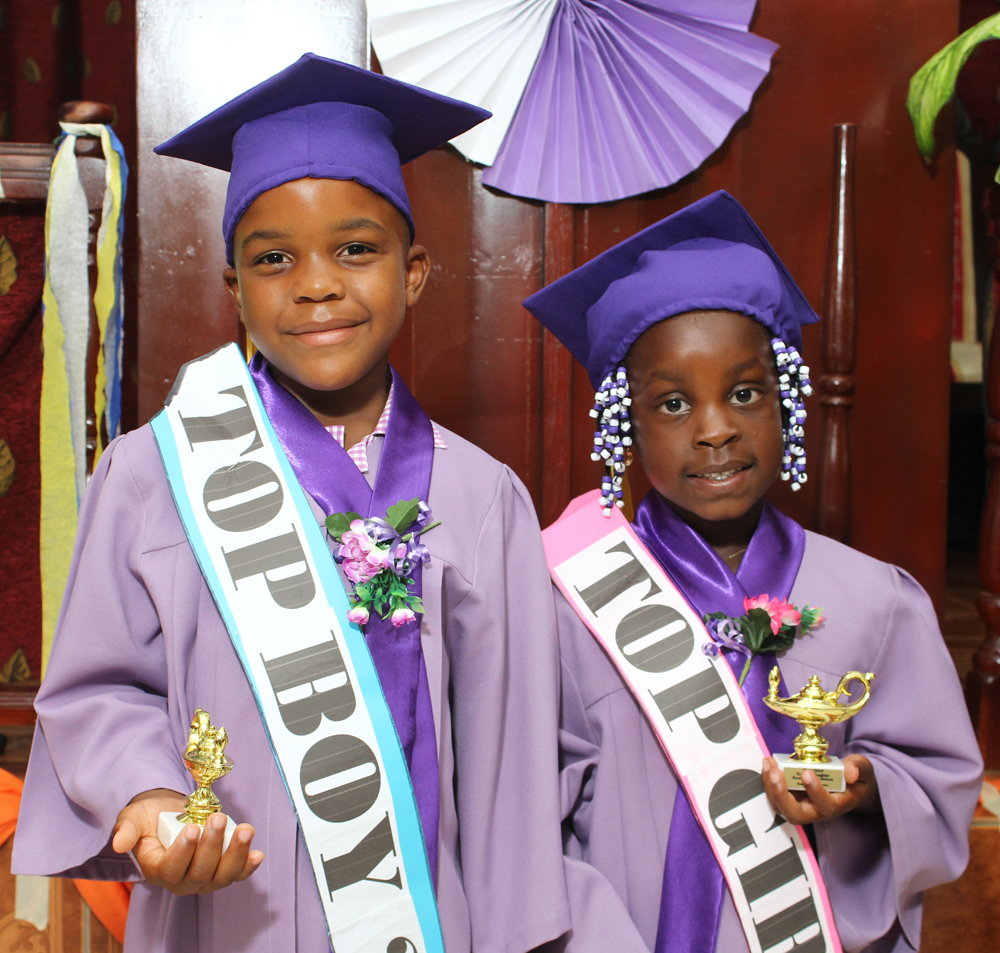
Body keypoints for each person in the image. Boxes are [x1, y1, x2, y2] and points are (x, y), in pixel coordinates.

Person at [12, 54, 573, 953]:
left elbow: (509, 772)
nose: (316, 284)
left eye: (357, 248)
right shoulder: (153, 475)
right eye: (274, 259)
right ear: (234, 290)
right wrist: (152, 798)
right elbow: (97, 689)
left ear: (415, 271)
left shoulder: (482, 498)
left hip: (430, 925)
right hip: (227, 914)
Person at [522, 190, 983, 953]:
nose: (715, 429)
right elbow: (536, 818)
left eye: (745, 393)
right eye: (671, 403)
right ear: (622, 428)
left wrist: (863, 786)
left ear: (788, 405)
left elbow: (937, 784)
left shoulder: (875, 601)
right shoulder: (567, 600)